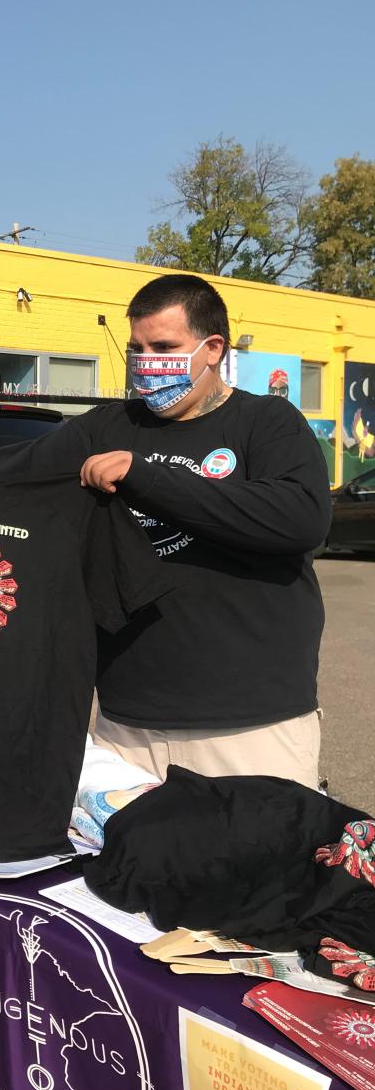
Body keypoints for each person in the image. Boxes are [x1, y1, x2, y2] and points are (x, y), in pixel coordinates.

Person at [69, 273, 331, 789]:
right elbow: (11, 469)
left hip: (251, 726)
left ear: (212, 348)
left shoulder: (268, 421)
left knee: (260, 867)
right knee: (129, 869)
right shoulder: (107, 425)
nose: (147, 363)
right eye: (137, 349)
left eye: (164, 347)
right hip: (127, 725)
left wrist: (144, 477)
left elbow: (299, 518)